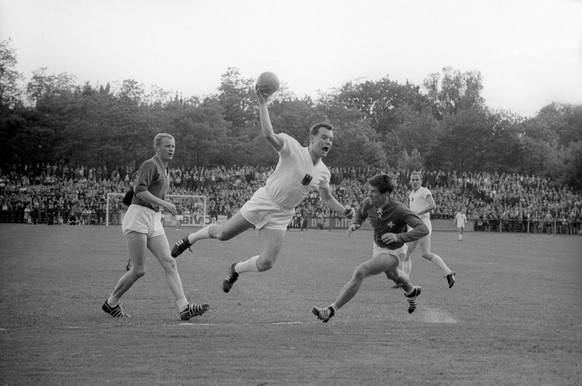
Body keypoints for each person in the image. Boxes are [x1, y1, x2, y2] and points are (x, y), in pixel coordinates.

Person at [171, 89, 354, 294]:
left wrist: (344, 211)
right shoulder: (292, 148)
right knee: (223, 234)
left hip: (283, 213)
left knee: (267, 262)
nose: (328, 142)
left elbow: (327, 199)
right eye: (324, 137)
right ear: (311, 138)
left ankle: (236, 269)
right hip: (264, 201)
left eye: (331, 139)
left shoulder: (323, 172)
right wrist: (263, 103)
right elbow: (268, 134)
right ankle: (190, 239)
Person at [102, 133, 209, 319]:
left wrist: (161, 206)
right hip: (138, 216)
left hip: (153, 218)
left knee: (170, 262)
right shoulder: (150, 165)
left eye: (173, 146)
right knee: (138, 270)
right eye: (167, 146)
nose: (172, 149)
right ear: (157, 148)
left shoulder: (165, 169)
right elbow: (139, 191)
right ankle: (111, 303)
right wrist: (165, 204)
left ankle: (184, 307)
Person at [312, 173, 428, 323]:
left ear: (385, 194)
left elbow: (423, 229)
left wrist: (398, 237)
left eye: (373, 191)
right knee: (394, 276)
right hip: (378, 246)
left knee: (361, 271)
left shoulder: (399, 209)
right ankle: (411, 292)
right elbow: (360, 215)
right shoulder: (369, 202)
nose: (369, 194)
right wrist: (355, 223)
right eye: (369, 190)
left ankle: (330, 310)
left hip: (394, 251)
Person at [396, 171, 456, 288]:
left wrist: (418, 213)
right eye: (412, 180)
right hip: (414, 226)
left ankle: (449, 273)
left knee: (425, 253)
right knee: (406, 254)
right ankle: (403, 282)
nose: (414, 182)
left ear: (421, 181)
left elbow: (433, 205)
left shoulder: (424, 191)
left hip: (422, 225)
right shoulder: (411, 194)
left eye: (416, 179)